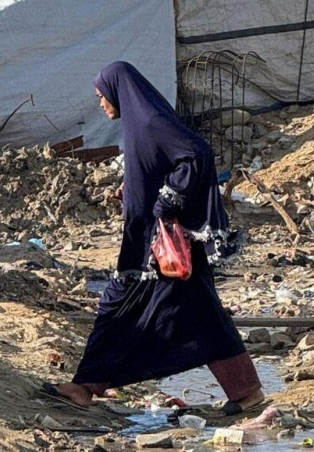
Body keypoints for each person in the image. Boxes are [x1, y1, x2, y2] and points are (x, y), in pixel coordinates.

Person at [43, 61, 264, 413]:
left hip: (159, 249)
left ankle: (86, 386)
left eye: (102, 96)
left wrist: (166, 201)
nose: (101, 104)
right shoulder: (140, 125)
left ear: (117, 91)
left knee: (120, 305)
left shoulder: (150, 122)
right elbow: (157, 164)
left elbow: (195, 154)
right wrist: (132, 188)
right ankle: (246, 391)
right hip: (147, 243)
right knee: (198, 314)